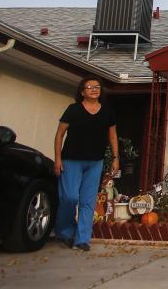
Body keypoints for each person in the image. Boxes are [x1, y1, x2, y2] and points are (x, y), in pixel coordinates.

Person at [53, 76, 118, 251]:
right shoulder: (73, 110)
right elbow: (59, 134)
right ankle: (65, 231)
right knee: (69, 197)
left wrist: (116, 158)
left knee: (88, 201)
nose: (94, 89)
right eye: (90, 87)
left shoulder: (107, 111)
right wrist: (58, 159)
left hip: (95, 162)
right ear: (82, 92)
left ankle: (82, 238)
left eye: (97, 87)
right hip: (71, 160)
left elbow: (112, 136)